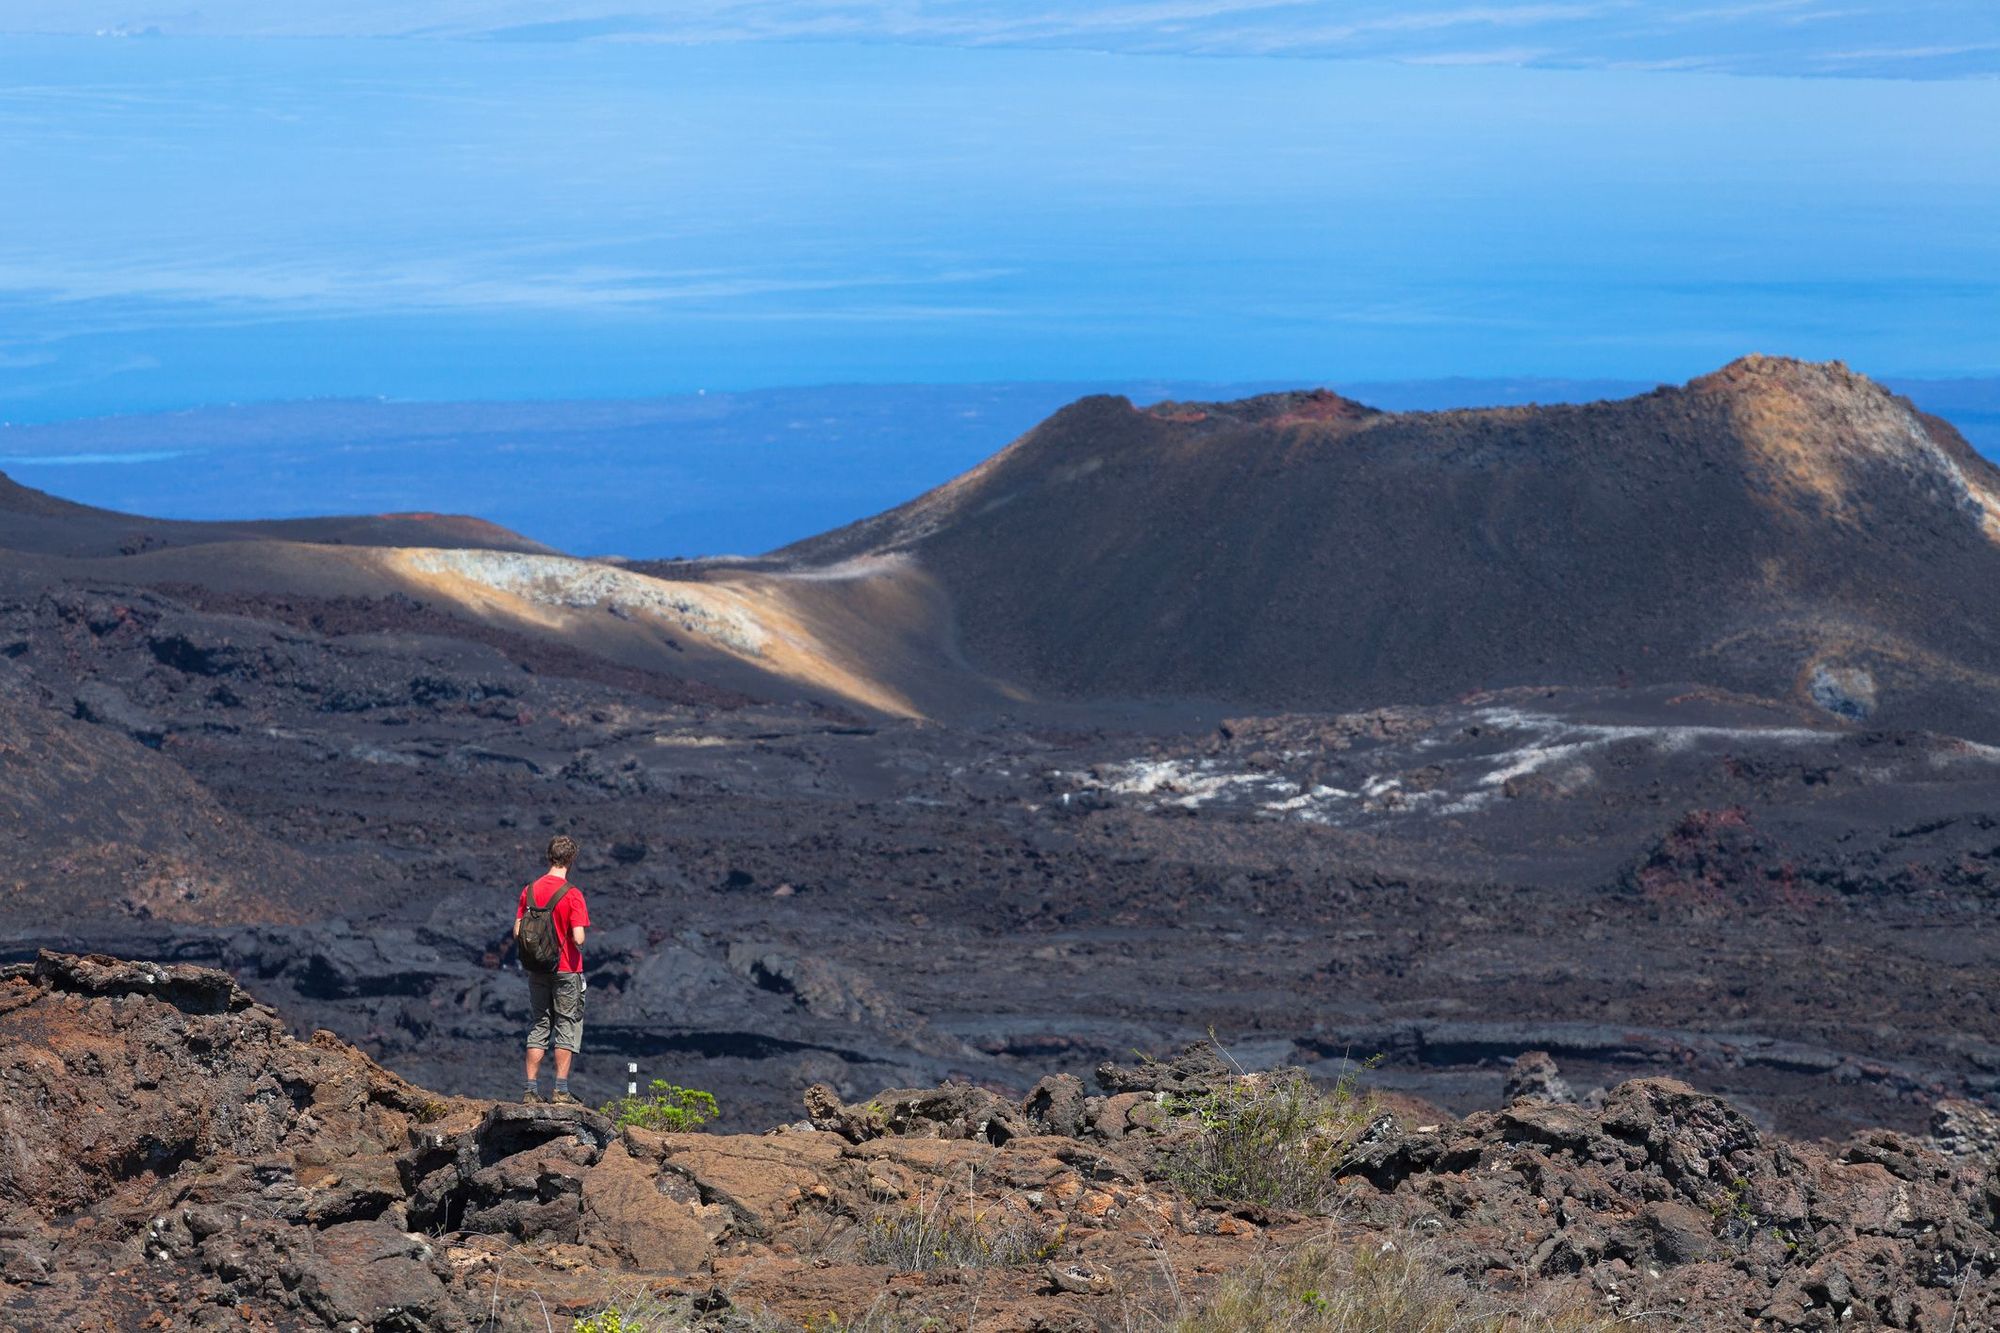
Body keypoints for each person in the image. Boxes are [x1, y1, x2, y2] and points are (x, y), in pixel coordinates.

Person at [516, 834, 590, 1104]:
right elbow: (579, 937)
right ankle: (560, 1090)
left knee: (539, 1024)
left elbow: (517, 930)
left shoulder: (530, 890)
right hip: (566, 968)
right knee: (566, 1026)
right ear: (571, 860)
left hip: (537, 968)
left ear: (549, 857)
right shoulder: (572, 894)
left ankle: (530, 1090)